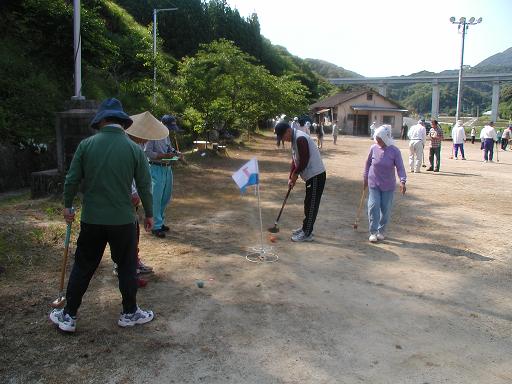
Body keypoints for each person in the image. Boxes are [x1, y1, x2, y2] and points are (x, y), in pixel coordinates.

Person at [49, 98, 155, 333]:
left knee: (84, 266)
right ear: (122, 122)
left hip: (92, 219)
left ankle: (68, 316)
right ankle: (129, 313)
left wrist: (67, 206)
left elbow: (72, 179)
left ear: (101, 120)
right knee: (126, 266)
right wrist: (150, 214)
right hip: (123, 220)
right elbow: (145, 186)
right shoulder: (133, 149)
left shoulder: (86, 145)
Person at [274, 119, 326, 242]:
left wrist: (295, 174)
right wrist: (291, 177)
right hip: (311, 176)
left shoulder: (300, 138)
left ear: (288, 131)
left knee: (311, 205)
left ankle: (307, 233)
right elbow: (295, 160)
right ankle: (305, 228)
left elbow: (304, 160)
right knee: (308, 203)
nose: (283, 140)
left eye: (283, 136)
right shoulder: (294, 139)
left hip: (316, 176)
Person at [363, 125, 406, 243]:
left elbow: (400, 167)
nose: (377, 141)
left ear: (385, 138)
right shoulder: (373, 148)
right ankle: (373, 231)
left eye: (379, 139)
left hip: (388, 185)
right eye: (376, 138)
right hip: (374, 182)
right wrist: (365, 177)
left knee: (385, 209)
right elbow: (367, 164)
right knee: (373, 206)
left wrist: (402, 180)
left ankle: (381, 231)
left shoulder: (395, 151)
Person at [144, 115, 184, 238]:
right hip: (156, 168)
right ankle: (155, 226)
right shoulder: (152, 135)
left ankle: (160, 222)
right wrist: (163, 156)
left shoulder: (166, 135)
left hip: (167, 168)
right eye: (169, 127)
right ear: (162, 124)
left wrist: (176, 153)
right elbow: (147, 152)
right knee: (156, 198)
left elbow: (169, 148)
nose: (170, 130)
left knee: (165, 197)